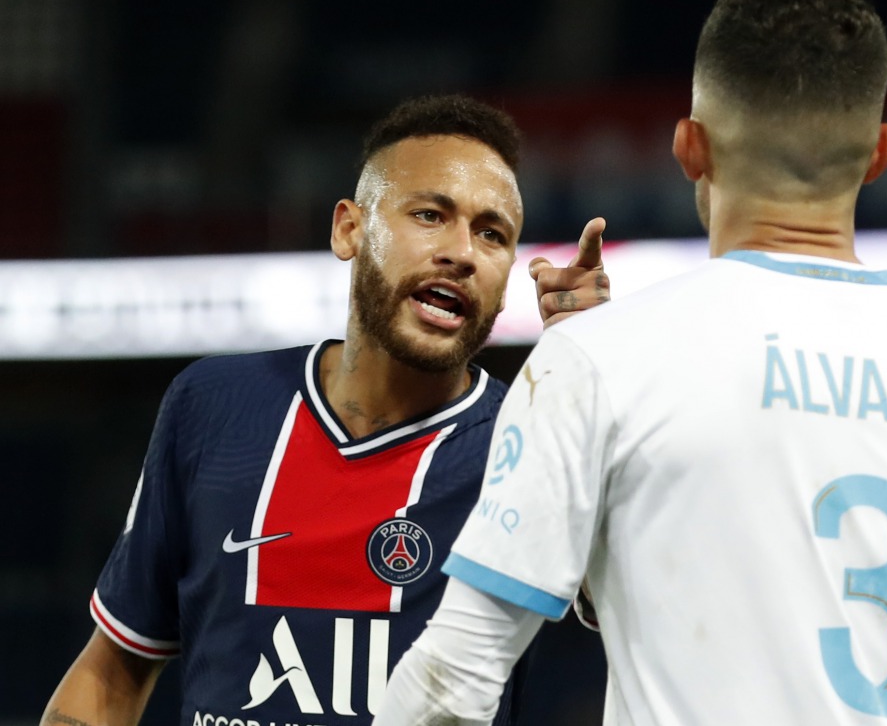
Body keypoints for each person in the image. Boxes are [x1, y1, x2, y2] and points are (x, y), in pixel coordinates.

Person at [373, 0, 887, 725]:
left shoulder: (600, 364)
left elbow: (450, 688)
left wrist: (585, 385)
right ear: (880, 154)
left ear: (689, 147)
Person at [40, 93, 610, 726]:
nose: (463, 252)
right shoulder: (213, 407)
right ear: (348, 230)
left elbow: (639, 611)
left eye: (492, 234)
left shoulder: (526, 437)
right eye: (429, 215)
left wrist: (595, 387)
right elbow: (112, 672)